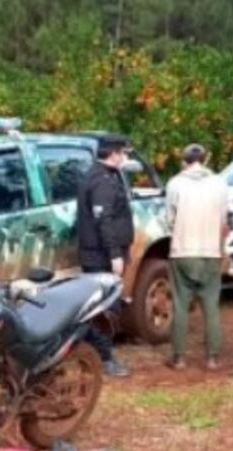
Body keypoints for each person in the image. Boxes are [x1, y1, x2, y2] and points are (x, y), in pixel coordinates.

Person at [164, 144, 228, 371]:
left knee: (181, 305)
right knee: (211, 306)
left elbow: (169, 219)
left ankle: (179, 358)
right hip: (210, 250)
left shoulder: (175, 183)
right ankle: (213, 358)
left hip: (182, 251)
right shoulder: (219, 183)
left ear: (184, 161)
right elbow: (223, 218)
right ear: (205, 159)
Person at [76, 133, 134, 378]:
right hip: (101, 256)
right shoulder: (102, 180)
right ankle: (105, 359)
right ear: (114, 153)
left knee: (107, 308)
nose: (126, 156)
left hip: (101, 253)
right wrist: (114, 255)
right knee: (103, 311)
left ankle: (102, 355)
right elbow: (104, 219)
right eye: (124, 152)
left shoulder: (104, 175)